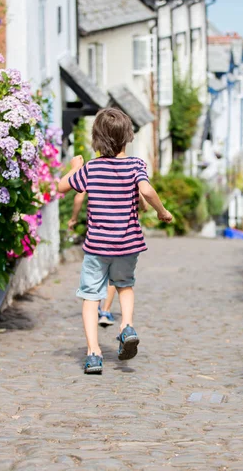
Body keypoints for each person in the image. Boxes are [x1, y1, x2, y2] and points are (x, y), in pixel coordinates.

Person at [58, 108, 172, 375]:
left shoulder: (91, 169)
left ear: (96, 139)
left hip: (97, 247)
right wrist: (161, 211)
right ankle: (126, 327)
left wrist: (76, 168)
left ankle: (94, 354)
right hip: (128, 245)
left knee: (90, 297)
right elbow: (145, 189)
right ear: (128, 137)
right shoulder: (136, 165)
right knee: (124, 286)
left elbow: (62, 187)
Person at [68, 192, 149, 329]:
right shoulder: (130, 170)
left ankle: (93, 348)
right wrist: (145, 206)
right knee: (119, 280)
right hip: (123, 237)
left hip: (99, 238)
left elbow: (77, 194)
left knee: (92, 289)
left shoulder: (92, 170)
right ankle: (107, 311)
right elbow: (143, 192)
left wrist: (74, 217)